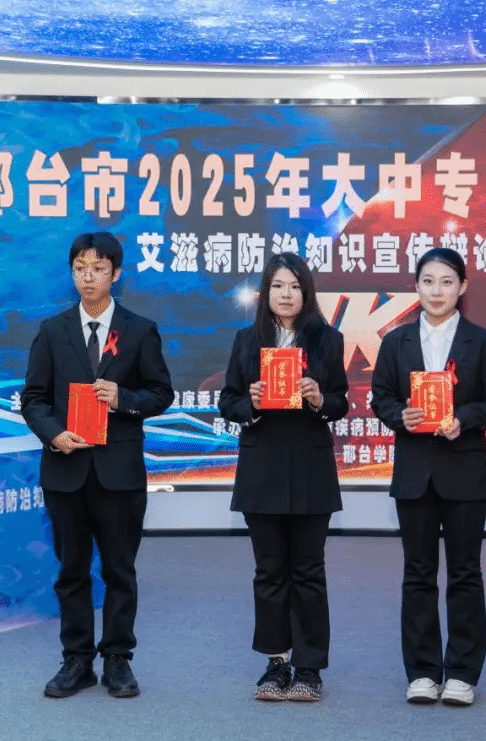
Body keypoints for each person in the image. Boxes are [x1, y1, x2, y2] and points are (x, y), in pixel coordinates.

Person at [22, 232, 174, 699]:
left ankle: (118, 660)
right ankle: (76, 660)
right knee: (71, 570)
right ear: (72, 273)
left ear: (116, 274)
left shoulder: (139, 330)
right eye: (80, 269)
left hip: (118, 471)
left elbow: (161, 393)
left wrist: (123, 398)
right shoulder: (53, 331)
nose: (88, 277)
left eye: (98, 269)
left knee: (119, 571)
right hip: (66, 470)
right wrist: (53, 433)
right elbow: (34, 398)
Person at [370, 247, 486, 707]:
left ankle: (463, 674)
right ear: (416, 286)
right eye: (428, 281)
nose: (437, 291)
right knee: (418, 573)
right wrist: (401, 415)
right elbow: (380, 397)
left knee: (466, 573)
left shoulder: (481, 342)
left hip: (465, 470)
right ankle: (422, 672)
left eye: (447, 281)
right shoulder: (396, 342)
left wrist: (464, 419)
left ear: (462, 287)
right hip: (414, 473)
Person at [218, 252, 349, 703]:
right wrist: (251, 402)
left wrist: (319, 398)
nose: (286, 294)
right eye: (277, 286)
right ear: (265, 293)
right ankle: (276, 662)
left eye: (294, 286)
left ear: (306, 292)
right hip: (263, 468)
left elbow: (341, 402)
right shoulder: (246, 340)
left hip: (311, 468)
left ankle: (309, 668)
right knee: (270, 570)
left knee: (309, 570)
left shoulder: (328, 340)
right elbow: (228, 402)